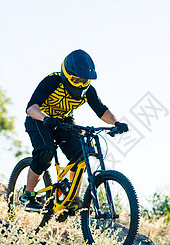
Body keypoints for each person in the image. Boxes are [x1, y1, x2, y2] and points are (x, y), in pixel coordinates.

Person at [22, 49, 128, 214]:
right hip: (40, 119)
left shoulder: (88, 91)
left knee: (81, 154)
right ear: (66, 73)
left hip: (64, 121)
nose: (80, 84)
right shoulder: (52, 81)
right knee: (45, 154)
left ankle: (73, 198)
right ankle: (27, 196)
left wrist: (116, 122)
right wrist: (45, 118)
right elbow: (31, 108)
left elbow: (102, 111)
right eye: (76, 79)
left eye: (84, 81)